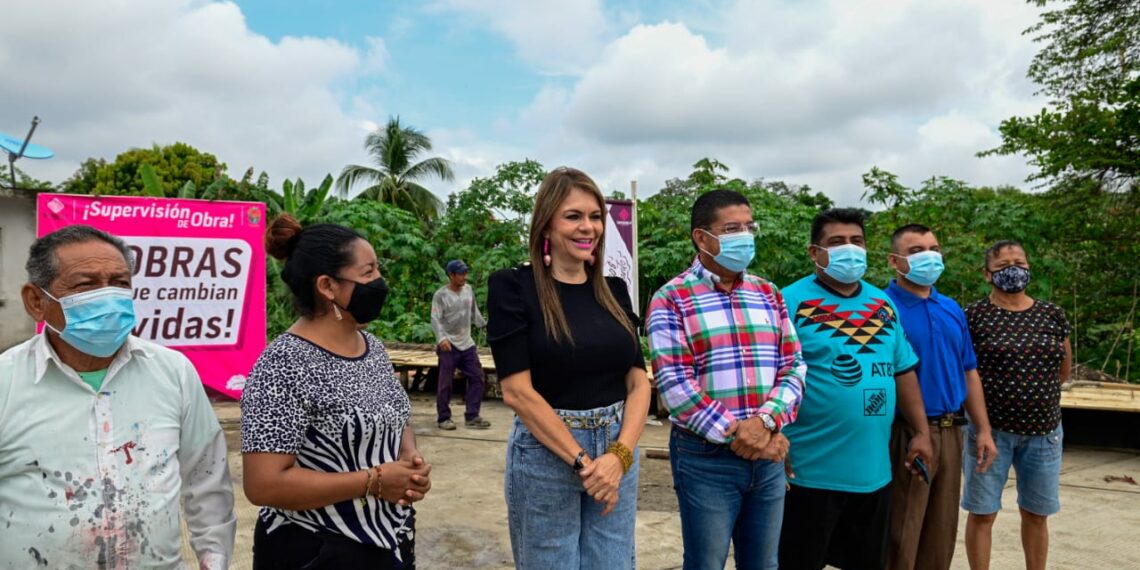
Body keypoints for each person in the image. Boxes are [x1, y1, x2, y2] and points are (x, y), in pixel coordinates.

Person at [0, 225, 236, 569]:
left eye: (120, 283)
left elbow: (206, 476)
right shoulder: (6, 381)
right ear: (36, 301)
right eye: (86, 284)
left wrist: (213, 559)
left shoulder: (172, 371)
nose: (108, 296)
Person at [241, 215, 431, 569]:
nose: (380, 282)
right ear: (327, 286)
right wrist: (373, 481)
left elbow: (396, 415)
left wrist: (410, 460)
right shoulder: (282, 364)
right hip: (313, 548)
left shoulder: (371, 347)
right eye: (368, 272)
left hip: (388, 537)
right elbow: (263, 483)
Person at [487, 167, 650, 569]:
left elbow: (638, 382)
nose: (588, 227)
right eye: (573, 216)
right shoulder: (512, 287)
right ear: (546, 223)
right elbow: (517, 392)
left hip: (616, 449)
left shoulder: (612, 290)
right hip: (546, 455)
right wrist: (584, 463)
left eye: (595, 216)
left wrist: (618, 457)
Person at [647, 189, 806, 570]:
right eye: (732, 228)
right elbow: (675, 385)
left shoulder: (769, 293)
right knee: (706, 563)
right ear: (701, 238)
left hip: (768, 454)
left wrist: (766, 423)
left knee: (764, 563)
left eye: (749, 227)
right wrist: (741, 434)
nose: (745, 236)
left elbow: (794, 366)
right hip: (705, 460)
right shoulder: (672, 298)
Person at [778, 209, 933, 570]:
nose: (850, 249)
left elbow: (903, 370)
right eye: (837, 242)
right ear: (814, 252)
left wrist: (922, 432)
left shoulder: (882, 303)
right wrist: (775, 435)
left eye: (857, 242)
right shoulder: (788, 301)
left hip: (872, 474)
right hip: (807, 472)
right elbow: (769, 374)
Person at [884, 224, 997, 570]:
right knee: (902, 531)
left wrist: (984, 429)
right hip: (908, 432)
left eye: (934, 248)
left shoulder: (951, 308)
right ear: (894, 261)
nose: (929, 256)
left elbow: (969, 371)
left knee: (940, 533)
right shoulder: (881, 308)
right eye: (917, 250)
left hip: (953, 431)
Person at [961, 240, 1071, 570]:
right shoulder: (973, 316)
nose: (1014, 270)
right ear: (986, 274)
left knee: (1037, 513)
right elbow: (967, 371)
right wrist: (981, 426)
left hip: (1045, 433)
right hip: (990, 433)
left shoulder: (1052, 314)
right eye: (1004, 265)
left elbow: (1063, 368)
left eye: (1020, 263)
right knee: (982, 513)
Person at [431, 259, 490, 430]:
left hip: (466, 342)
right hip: (449, 344)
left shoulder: (468, 290)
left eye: (465, 273)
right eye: (460, 273)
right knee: (445, 382)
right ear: (451, 275)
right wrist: (441, 339)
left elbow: (474, 312)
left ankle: (472, 415)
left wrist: (484, 325)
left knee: (477, 377)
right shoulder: (441, 295)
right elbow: (435, 318)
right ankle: (444, 417)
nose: (464, 277)